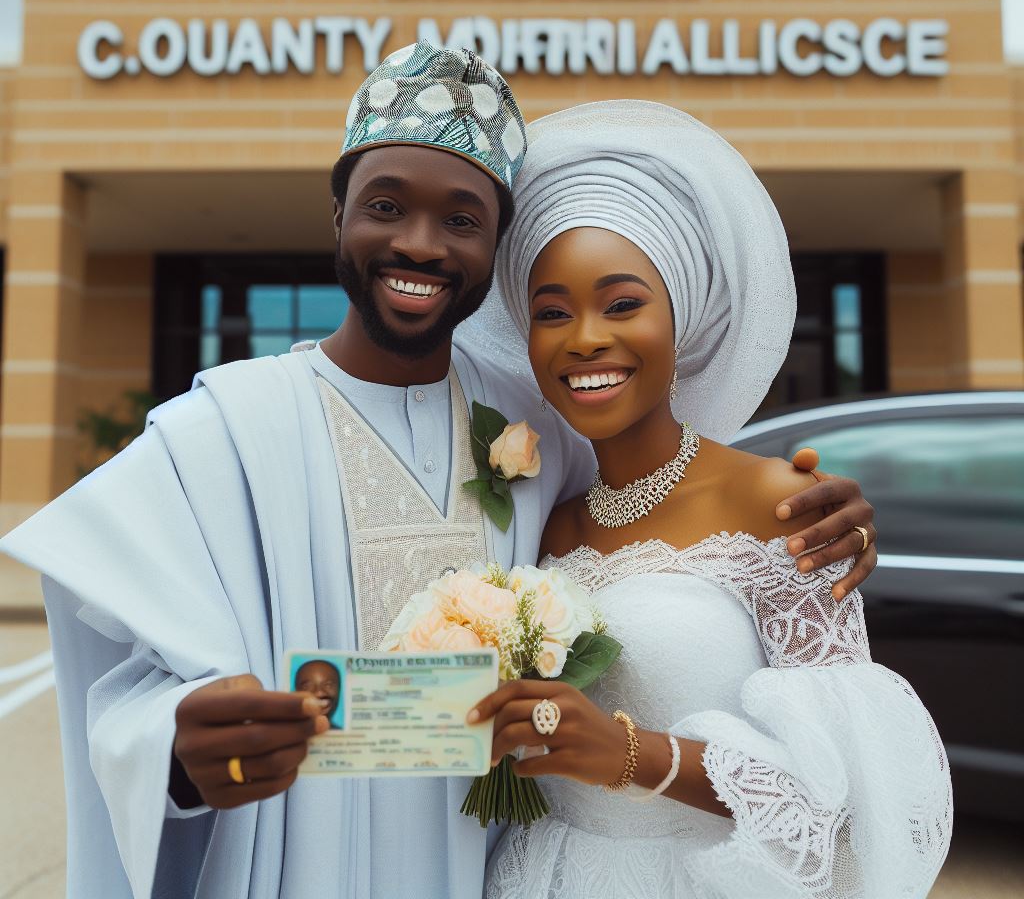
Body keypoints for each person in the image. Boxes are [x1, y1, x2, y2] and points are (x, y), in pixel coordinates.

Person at [0, 47, 878, 899]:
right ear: (337, 216)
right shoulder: (219, 430)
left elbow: (673, 511)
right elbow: (108, 649)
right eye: (385, 205)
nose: (420, 245)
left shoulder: (542, 423)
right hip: (294, 852)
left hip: (499, 862)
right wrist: (176, 751)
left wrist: (817, 508)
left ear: (494, 250)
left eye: (461, 219)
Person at [465, 100, 952, 899]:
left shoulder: (785, 506)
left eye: (622, 304)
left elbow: (838, 809)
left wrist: (628, 754)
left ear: (679, 318)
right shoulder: (549, 520)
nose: (585, 336)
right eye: (552, 313)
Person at [293, 659, 342, 727]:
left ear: (339, 690)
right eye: (308, 686)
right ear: (295, 692)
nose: (319, 693)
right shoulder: (284, 735)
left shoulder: (349, 736)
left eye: (328, 685)